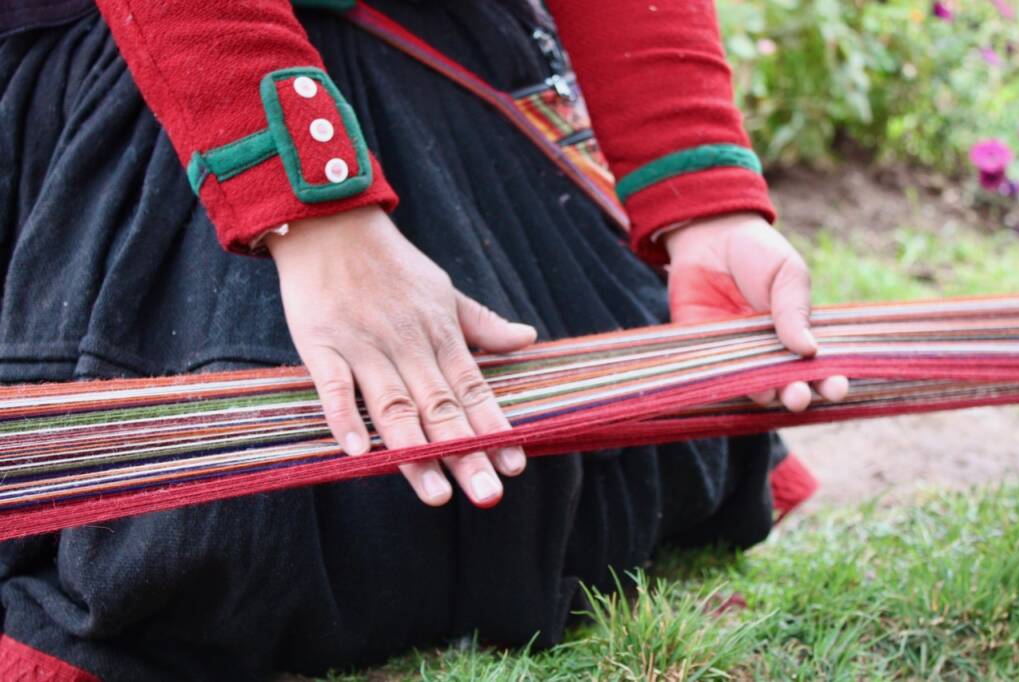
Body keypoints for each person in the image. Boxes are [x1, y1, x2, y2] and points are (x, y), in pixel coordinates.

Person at [0, 0, 846, 679]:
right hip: (175, 56)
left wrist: (702, 203)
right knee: (218, 542)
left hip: (437, 54)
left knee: (611, 483)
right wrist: (312, 212)